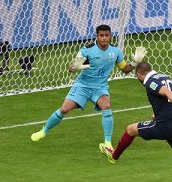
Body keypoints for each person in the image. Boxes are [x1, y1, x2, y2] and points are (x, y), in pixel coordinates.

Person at [31, 24, 147, 161]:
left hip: (100, 87)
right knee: (64, 109)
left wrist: (135, 63)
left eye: (106, 35)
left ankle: (107, 143)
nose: (104, 38)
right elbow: (71, 68)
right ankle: (43, 131)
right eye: (101, 36)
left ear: (110, 36)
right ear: (97, 37)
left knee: (107, 107)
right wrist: (75, 66)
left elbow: (125, 69)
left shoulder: (115, 52)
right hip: (83, 86)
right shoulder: (87, 50)